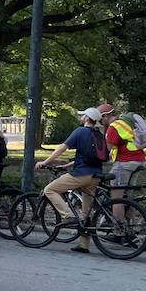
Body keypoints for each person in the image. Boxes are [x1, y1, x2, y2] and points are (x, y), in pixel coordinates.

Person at [35, 106, 108, 254]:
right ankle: (83, 244)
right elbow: (87, 155)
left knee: (50, 189)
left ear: (87, 118)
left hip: (81, 174)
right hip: (95, 175)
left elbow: (62, 148)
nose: (81, 117)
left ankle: (67, 216)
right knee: (86, 212)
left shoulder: (80, 131)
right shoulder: (99, 134)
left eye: (83, 116)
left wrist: (45, 162)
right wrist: (67, 165)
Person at [100, 103, 145, 226]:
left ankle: (118, 230)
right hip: (138, 160)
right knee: (128, 197)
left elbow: (109, 148)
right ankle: (129, 227)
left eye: (101, 118)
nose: (100, 121)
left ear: (105, 116)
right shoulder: (125, 123)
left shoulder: (113, 127)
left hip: (125, 162)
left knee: (116, 197)